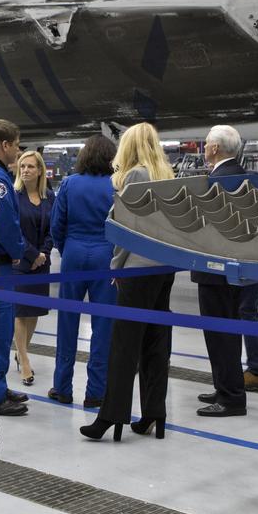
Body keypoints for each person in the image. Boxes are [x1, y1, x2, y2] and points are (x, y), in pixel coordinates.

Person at [81, 123, 177, 441]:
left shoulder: (136, 175)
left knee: (124, 345)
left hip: (137, 269)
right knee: (156, 342)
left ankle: (111, 416)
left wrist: (116, 268)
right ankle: (154, 413)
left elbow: (126, 230)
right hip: (164, 267)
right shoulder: (167, 173)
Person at [48, 134, 118, 409]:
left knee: (67, 323)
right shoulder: (116, 185)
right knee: (103, 326)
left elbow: (57, 225)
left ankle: (63, 387)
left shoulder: (69, 183)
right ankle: (96, 391)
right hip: (106, 255)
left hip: (74, 254)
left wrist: (67, 251)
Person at [195, 124, 250, 417]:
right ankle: (225, 386)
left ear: (215, 148)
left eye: (206, 144)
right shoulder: (242, 176)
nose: (204, 148)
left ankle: (231, 398)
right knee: (227, 332)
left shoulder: (217, 180)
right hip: (232, 267)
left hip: (214, 269)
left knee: (220, 334)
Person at [0, 119, 29, 417]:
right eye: (17, 144)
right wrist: (18, 251)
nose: (19, 151)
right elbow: (5, 222)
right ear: (5, 145)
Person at [12, 150, 53, 388]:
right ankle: (24, 359)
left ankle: (21, 351)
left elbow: (54, 228)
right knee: (20, 312)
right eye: (22, 166)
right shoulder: (15, 197)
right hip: (20, 261)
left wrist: (44, 253)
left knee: (34, 311)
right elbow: (13, 229)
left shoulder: (49, 197)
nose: (25, 170)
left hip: (41, 263)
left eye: (30, 167)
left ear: (40, 171)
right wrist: (31, 254)